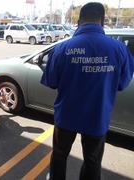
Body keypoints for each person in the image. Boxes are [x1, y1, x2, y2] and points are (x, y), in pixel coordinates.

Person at [41, 2, 134, 180]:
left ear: (78, 22)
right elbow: (122, 84)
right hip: (97, 117)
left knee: (60, 154)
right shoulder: (119, 49)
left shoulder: (62, 48)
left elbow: (51, 81)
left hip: (66, 116)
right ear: (102, 20)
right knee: (92, 161)